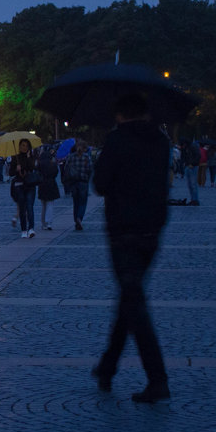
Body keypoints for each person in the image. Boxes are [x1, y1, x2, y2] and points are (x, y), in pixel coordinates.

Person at [91, 93, 171, 403]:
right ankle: (108, 367)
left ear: (120, 114)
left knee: (134, 303)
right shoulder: (162, 141)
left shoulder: (117, 140)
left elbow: (100, 183)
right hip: (152, 228)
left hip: (123, 229)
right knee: (130, 296)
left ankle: (158, 378)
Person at [8, 138, 38, 238]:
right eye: (22, 145)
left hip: (30, 184)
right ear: (19, 146)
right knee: (22, 208)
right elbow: (10, 173)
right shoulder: (15, 157)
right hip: (19, 185)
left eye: (26, 145)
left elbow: (33, 168)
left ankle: (31, 229)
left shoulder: (32, 157)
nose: (24, 147)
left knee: (30, 207)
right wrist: (16, 169)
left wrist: (29, 158)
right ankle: (24, 229)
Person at [63, 139, 94, 230]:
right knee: (83, 202)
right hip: (83, 181)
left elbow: (66, 168)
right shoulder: (86, 157)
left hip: (73, 182)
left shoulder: (71, 157)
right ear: (85, 149)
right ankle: (79, 217)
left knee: (75, 202)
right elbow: (90, 169)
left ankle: (76, 218)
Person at [36, 146, 60, 231]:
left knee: (44, 205)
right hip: (51, 184)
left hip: (42, 184)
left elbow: (37, 173)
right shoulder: (53, 164)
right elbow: (56, 173)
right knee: (50, 204)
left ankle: (43, 223)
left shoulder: (40, 164)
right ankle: (49, 222)